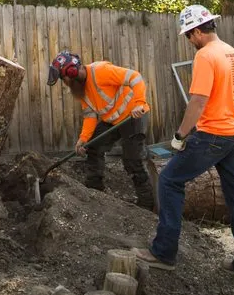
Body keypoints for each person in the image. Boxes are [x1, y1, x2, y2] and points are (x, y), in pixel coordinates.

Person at [133, 5, 234, 281]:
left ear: (197, 32)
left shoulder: (205, 56)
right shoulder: (233, 53)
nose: (189, 41)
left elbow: (198, 101)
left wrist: (180, 136)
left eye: (188, 36)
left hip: (213, 135)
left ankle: (164, 252)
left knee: (168, 180)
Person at [47, 50, 154, 209]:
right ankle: (94, 191)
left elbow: (135, 77)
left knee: (132, 161)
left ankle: (147, 204)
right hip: (111, 121)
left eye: (64, 78)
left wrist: (139, 102)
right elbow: (90, 115)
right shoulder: (80, 88)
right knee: (92, 147)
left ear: (71, 72)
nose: (64, 82)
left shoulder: (101, 71)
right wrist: (83, 139)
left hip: (133, 116)